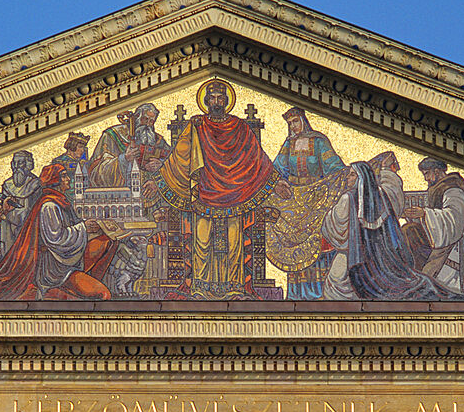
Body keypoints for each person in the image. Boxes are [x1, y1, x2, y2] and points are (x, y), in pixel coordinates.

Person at [144, 79, 291, 299]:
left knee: (234, 243)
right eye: (211, 98)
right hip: (204, 194)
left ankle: (234, 286)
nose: (216, 101)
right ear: (205, 100)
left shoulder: (240, 127)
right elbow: (179, 158)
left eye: (220, 97)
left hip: (235, 194)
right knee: (201, 242)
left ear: (226, 100)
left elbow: (257, 157)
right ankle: (200, 287)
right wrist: (158, 181)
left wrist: (275, 181)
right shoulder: (196, 125)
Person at [0, 162, 116, 301]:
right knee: (103, 294)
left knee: (106, 241)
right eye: (65, 176)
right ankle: (55, 290)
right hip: (55, 270)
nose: (69, 180)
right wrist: (84, 228)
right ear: (56, 181)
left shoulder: (60, 201)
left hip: (66, 260)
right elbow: (56, 239)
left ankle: (85, 283)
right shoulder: (49, 206)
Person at [321, 162, 444, 300]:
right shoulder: (380, 196)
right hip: (380, 259)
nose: (347, 178)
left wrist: (326, 216)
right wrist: (387, 170)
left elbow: (335, 229)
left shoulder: (347, 198)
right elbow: (393, 192)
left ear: (361, 178)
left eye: (352, 174)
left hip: (354, 257)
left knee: (334, 285)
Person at [267, 107, 350, 299]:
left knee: (319, 241)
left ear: (303, 120)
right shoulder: (288, 144)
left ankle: (321, 291)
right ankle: (297, 293)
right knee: (292, 239)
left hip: (318, 197)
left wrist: (344, 176)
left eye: (295, 121)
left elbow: (334, 166)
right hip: (295, 199)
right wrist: (278, 182)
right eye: (289, 124)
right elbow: (277, 169)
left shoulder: (318, 141)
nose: (293, 127)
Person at [401, 157, 464, 297]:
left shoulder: (452, 188)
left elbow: (455, 220)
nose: (426, 178)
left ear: (437, 171)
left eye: (427, 173)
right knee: (409, 230)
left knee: (435, 279)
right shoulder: (438, 187)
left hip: (454, 243)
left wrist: (425, 213)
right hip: (439, 235)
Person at [88, 104, 171, 193]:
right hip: (121, 195)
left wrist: (162, 166)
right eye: (145, 119)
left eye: (151, 121)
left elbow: (173, 161)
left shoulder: (158, 141)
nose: (147, 124)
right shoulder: (113, 136)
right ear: (137, 118)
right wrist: (124, 159)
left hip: (150, 193)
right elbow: (95, 171)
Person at [0, 150, 42, 262]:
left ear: (28, 165)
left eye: (20, 163)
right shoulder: (7, 184)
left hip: (28, 228)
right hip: (9, 230)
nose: (16, 167)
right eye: (14, 163)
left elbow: (36, 210)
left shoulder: (35, 184)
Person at [51, 131, 91, 202]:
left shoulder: (82, 163)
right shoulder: (59, 162)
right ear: (72, 146)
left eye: (83, 148)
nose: (82, 150)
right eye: (80, 147)